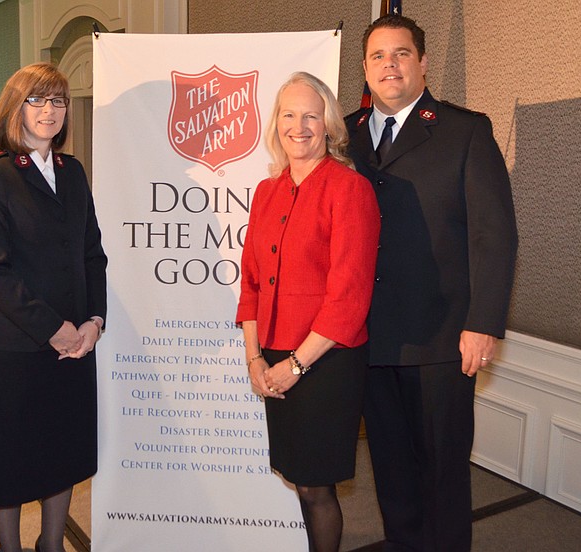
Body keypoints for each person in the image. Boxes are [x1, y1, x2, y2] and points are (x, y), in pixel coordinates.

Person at [345, 14, 519, 552]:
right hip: (367, 338)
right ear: (366, 69)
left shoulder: (465, 130)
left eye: (401, 54)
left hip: (443, 340)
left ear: (422, 63)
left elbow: (495, 236)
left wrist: (483, 324)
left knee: (441, 476)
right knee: (391, 476)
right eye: (377, 56)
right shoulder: (342, 135)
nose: (389, 64)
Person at [0, 62, 107, 552]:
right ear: (15, 107)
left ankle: (51, 543)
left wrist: (94, 322)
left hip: (74, 344)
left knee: (61, 454)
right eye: (38, 100)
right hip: (14, 349)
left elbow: (93, 254)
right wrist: (54, 330)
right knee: (10, 463)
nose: (49, 111)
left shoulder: (73, 172)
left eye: (58, 101)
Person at [236, 72, 381, 552]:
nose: (298, 127)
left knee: (317, 486)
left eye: (311, 116)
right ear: (276, 123)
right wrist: (254, 359)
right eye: (288, 115)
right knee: (298, 477)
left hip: (325, 361)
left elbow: (350, 299)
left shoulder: (349, 189)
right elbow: (252, 282)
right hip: (274, 355)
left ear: (329, 126)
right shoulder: (266, 191)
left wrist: (296, 365)